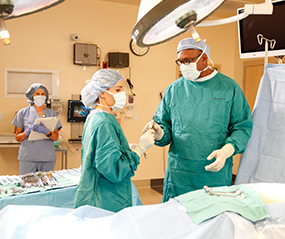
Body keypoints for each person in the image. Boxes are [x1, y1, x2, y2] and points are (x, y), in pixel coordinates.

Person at [143, 38, 253, 202]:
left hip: (214, 173)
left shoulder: (229, 87)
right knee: (177, 219)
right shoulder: (174, 90)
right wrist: (159, 133)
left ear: (204, 58)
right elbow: (165, 128)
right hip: (180, 174)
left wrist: (227, 151)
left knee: (212, 219)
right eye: (180, 61)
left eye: (188, 60)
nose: (183, 66)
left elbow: (242, 127)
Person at [75, 69, 155, 212]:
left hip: (97, 192)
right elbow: (113, 170)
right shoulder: (104, 122)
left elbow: (101, 151)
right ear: (102, 93)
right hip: (106, 199)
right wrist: (140, 148)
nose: (122, 94)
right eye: (118, 89)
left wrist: (125, 148)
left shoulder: (95, 116)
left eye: (123, 89)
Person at [12, 83, 62, 175]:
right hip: (28, 157)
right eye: (37, 94)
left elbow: (55, 138)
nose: (40, 96)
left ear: (46, 97)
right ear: (32, 96)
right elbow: (18, 138)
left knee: (46, 185)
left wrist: (47, 132)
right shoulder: (23, 113)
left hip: (47, 157)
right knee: (27, 185)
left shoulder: (52, 113)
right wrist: (27, 132)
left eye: (43, 94)